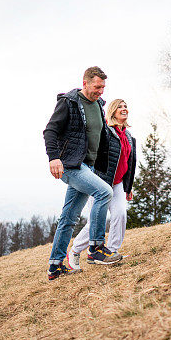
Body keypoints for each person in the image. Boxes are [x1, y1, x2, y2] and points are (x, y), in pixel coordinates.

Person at [43, 66, 122, 281]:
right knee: (104, 193)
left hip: (88, 166)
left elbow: (101, 137)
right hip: (70, 165)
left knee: (68, 218)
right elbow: (50, 130)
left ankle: (55, 265)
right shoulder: (69, 103)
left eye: (103, 87)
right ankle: (96, 248)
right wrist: (54, 158)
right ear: (85, 82)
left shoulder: (98, 105)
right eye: (97, 87)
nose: (100, 91)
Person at [68, 99, 136, 271]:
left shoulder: (128, 136)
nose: (124, 109)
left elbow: (130, 163)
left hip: (119, 183)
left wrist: (128, 187)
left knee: (120, 214)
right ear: (113, 111)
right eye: (120, 106)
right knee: (95, 222)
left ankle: (111, 252)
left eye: (126, 106)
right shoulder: (106, 131)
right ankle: (75, 251)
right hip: (100, 182)